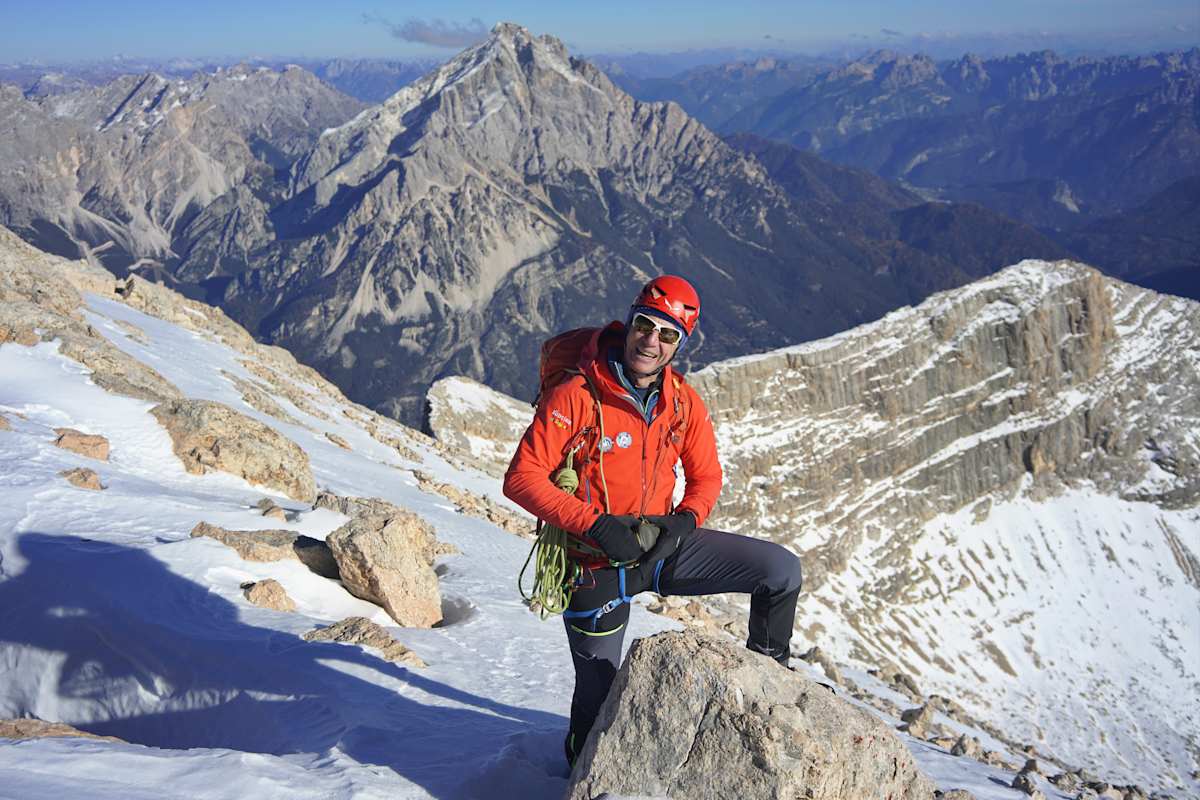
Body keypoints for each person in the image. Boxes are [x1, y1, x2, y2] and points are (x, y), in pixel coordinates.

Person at [503, 274, 803, 767]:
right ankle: (581, 771)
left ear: (680, 344)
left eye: (667, 334)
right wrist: (597, 526)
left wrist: (683, 523)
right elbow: (521, 479)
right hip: (593, 563)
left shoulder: (680, 400)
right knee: (598, 702)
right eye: (645, 325)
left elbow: (706, 476)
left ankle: (770, 693)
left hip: (660, 547)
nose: (651, 342)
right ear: (630, 322)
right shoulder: (578, 394)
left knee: (780, 571)